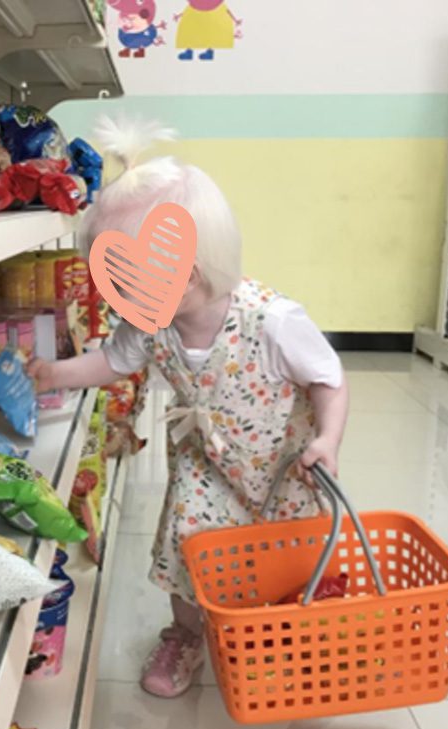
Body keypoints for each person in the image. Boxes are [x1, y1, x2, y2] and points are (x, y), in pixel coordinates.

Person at [27, 116, 348, 698]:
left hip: (284, 465)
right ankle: (185, 635)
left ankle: (283, 633)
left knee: (286, 553)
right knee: (188, 544)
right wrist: (54, 373)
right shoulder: (152, 323)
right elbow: (112, 362)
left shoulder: (272, 321)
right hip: (205, 464)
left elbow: (328, 379)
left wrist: (327, 439)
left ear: (190, 270)